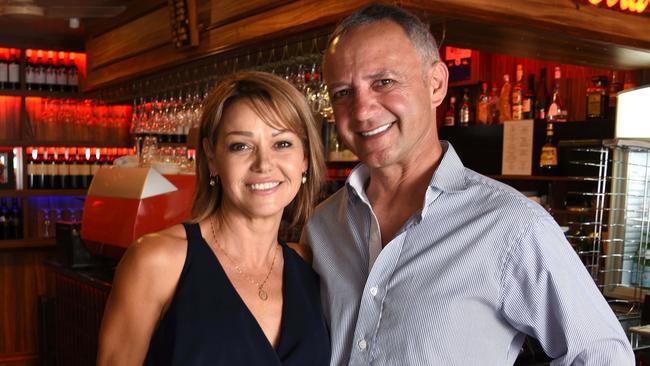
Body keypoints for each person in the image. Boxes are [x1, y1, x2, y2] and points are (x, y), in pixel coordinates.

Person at [301, 3, 635, 365]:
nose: (362, 110)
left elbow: (603, 355)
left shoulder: (513, 226)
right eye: (342, 92)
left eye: (384, 82)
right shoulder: (321, 227)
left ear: (436, 84)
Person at [98, 71, 330, 366]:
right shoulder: (158, 261)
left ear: (305, 158)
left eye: (282, 143)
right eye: (241, 146)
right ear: (212, 158)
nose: (264, 164)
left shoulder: (309, 266)